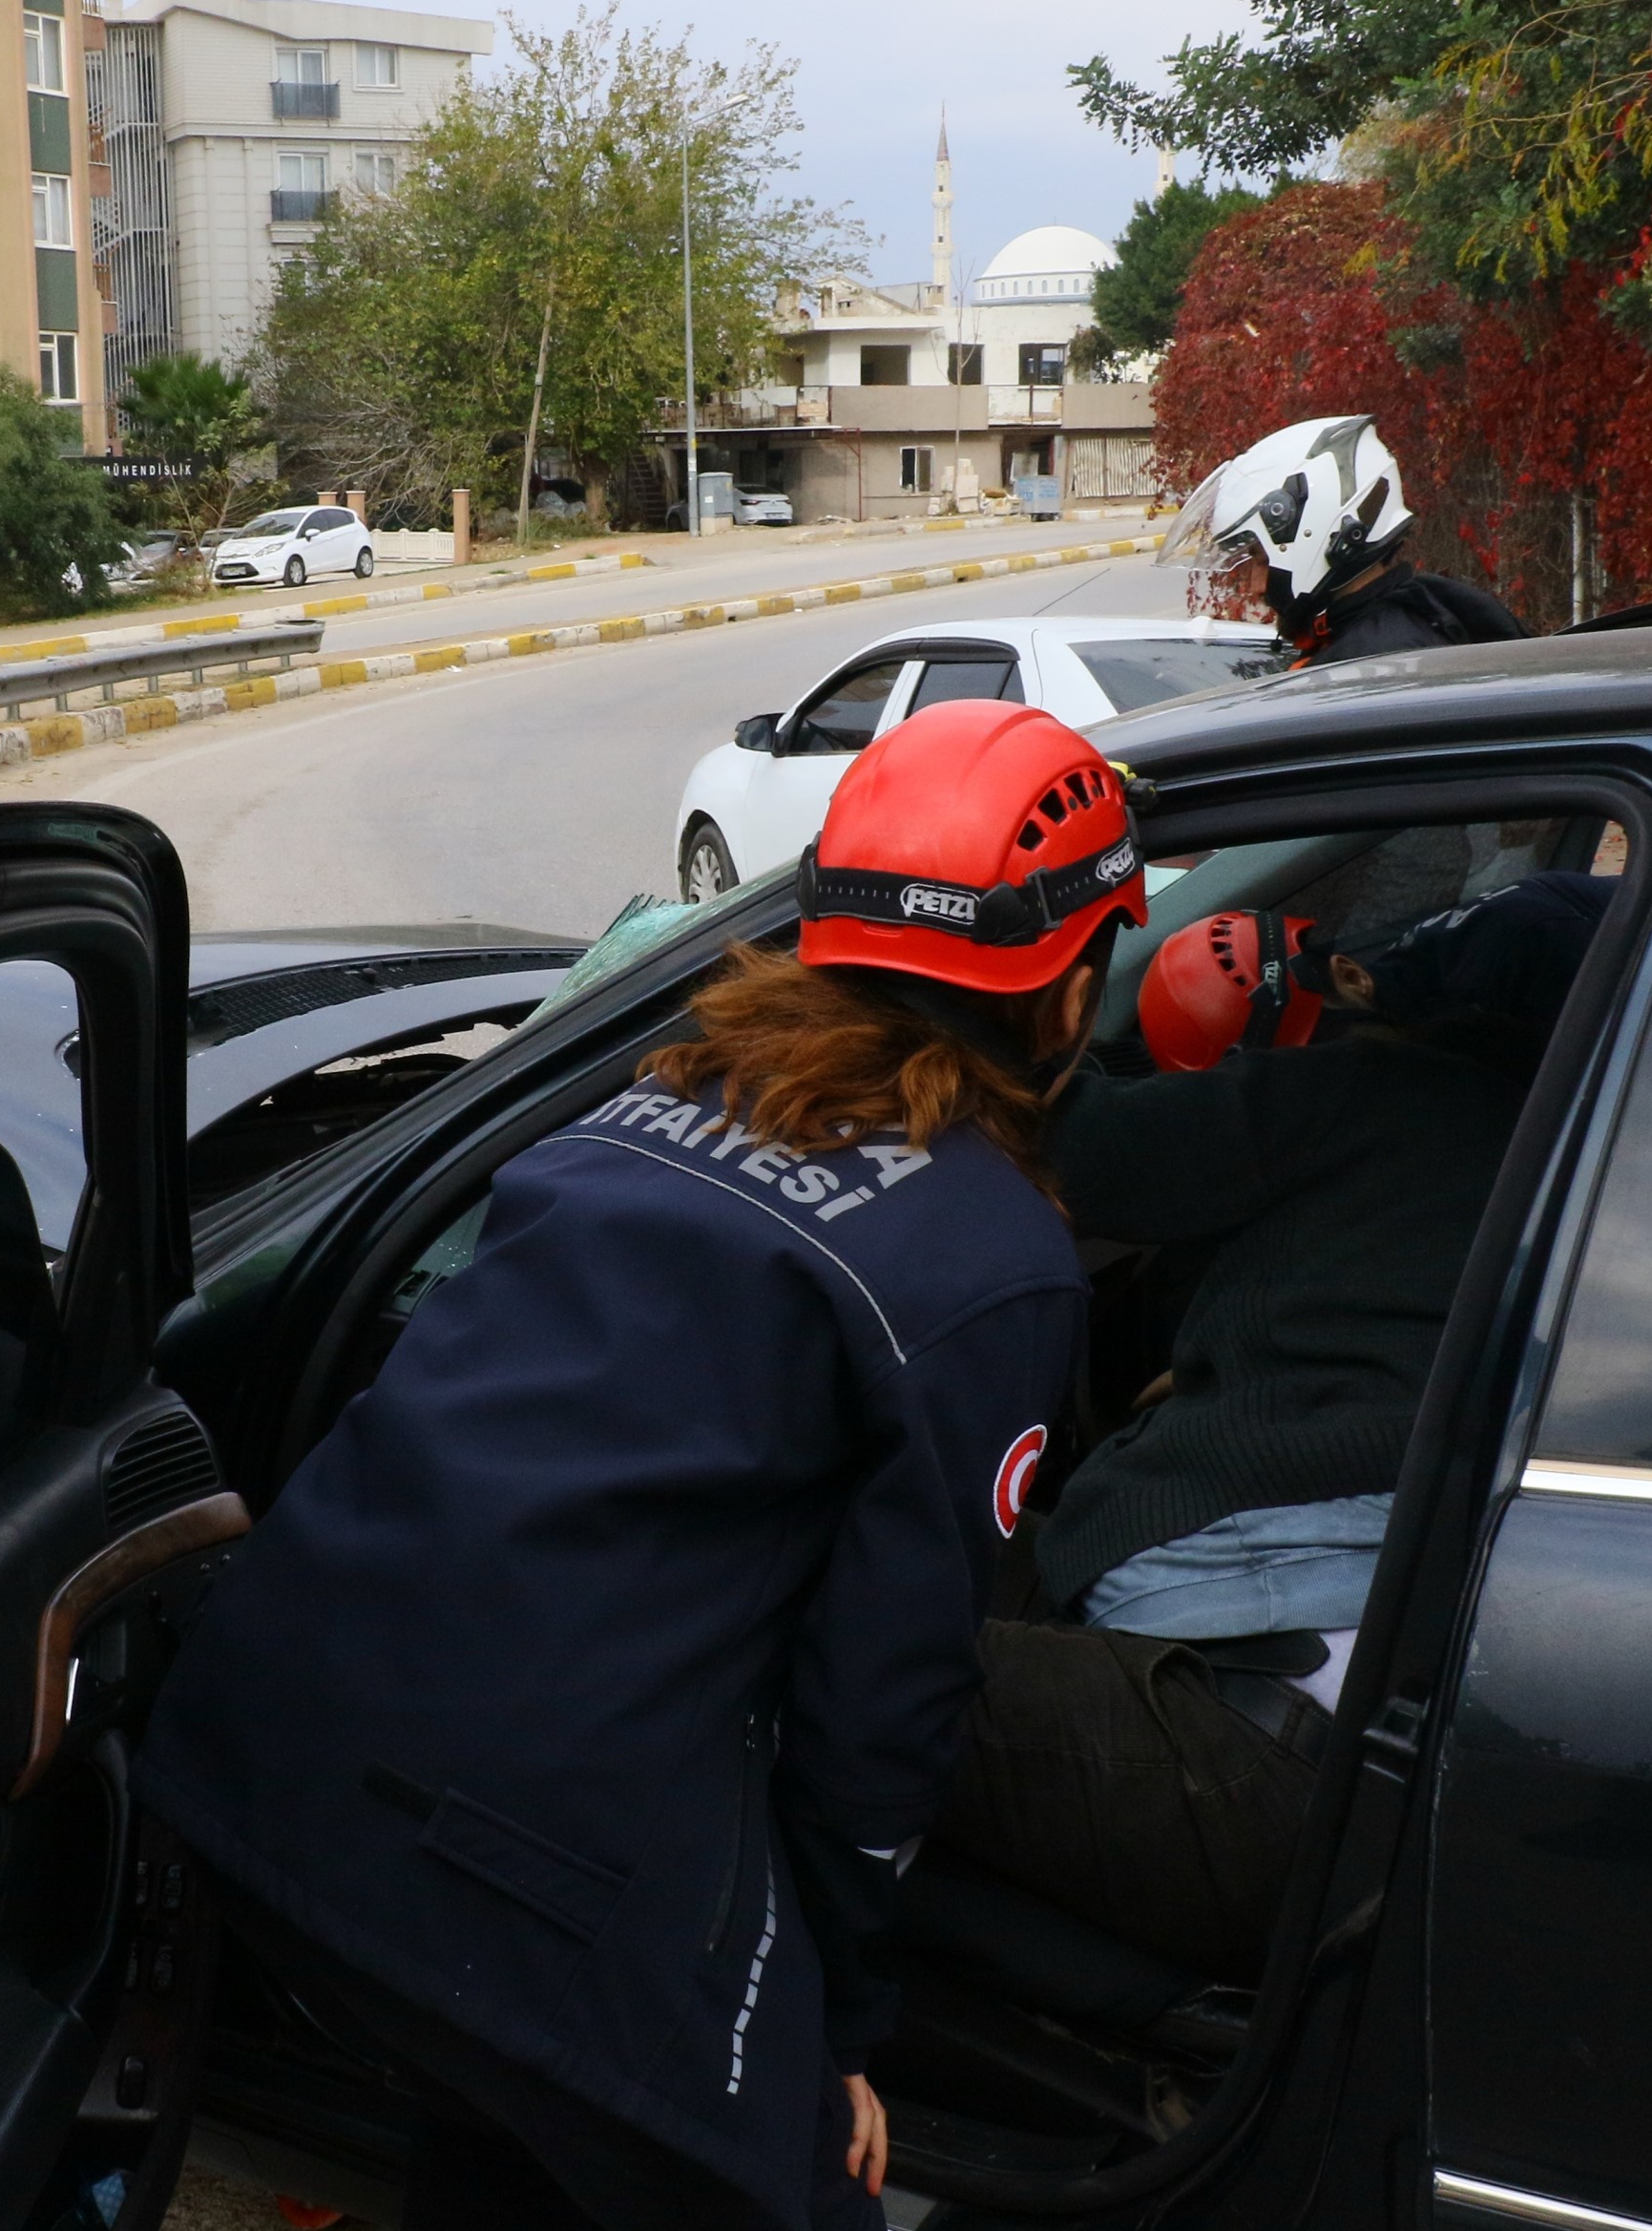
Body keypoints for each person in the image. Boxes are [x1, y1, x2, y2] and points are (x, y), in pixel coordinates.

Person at [136, 701, 1157, 2231]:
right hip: (518, 1860)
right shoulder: (989, 1262)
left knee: (507, 2123)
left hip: (253, 1762)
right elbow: (887, 1696)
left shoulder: (646, 1107)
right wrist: (838, 2030)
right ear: (1069, 994)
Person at [935, 873, 1611, 1984]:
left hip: (1235, 1679)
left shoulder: (1382, 1088)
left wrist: (1017, 1015)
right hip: (1418, 1699)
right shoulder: (1618, 1155)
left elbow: (1072, 1148)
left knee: (799, 1635)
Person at [1162, 414, 1526, 664]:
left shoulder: (1375, 663)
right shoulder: (1410, 626)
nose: (1256, 587)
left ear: (1323, 532)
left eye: (1260, 559)